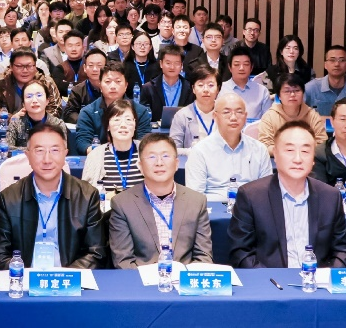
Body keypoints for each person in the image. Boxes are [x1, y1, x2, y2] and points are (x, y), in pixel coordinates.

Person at [228, 121, 346, 269]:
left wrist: (326, 276)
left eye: (305, 151)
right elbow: (241, 253)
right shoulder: (251, 196)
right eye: (290, 150)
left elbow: (342, 251)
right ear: (275, 155)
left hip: (318, 281)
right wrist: (270, 280)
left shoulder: (331, 197)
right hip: (270, 281)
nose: (298, 159)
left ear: (313, 158)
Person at [0, 123, 104, 269]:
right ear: (28, 156)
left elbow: (96, 252)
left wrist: (64, 277)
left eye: (55, 150)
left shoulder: (87, 196)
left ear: (65, 154)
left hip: (70, 278)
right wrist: (27, 276)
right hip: (26, 278)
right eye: (39, 151)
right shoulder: (9, 199)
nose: (47, 159)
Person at [108, 134, 212, 269]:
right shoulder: (122, 203)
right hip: (141, 279)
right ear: (140, 166)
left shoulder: (196, 201)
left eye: (166, 156)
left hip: (184, 277)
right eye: (151, 157)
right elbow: (123, 262)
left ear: (176, 164)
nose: (159, 163)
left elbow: (203, 257)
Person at [186, 95, 274, 202]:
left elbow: (266, 191)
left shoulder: (259, 149)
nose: (233, 118)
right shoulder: (200, 151)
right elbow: (195, 197)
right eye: (226, 112)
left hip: (250, 208)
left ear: (245, 116)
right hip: (213, 209)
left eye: (239, 112)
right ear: (215, 116)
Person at [74, 60, 153, 155]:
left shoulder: (140, 111)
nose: (112, 86)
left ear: (126, 85)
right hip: (99, 158)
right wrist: (107, 154)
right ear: (100, 85)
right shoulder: (87, 112)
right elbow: (82, 143)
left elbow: (144, 142)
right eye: (108, 81)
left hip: (133, 158)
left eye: (118, 81)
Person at [0, 48, 62, 124]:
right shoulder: (0, 82)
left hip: (40, 127)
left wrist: (36, 119)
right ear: (11, 66)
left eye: (29, 66)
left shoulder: (47, 82)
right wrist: (11, 118)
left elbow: (56, 109)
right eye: (19, 66)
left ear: (35, 66)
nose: (25, 70)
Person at [83, 99, 144, 194]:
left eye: (128, 120)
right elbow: (86, 195)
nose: (123, 125)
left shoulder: (147, 152)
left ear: (135, 124)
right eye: (117, 120)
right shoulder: (95, 156)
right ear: (108, 126)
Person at [256, 72, 328, 153]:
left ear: (303, 94)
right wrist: (288, 151)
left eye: (297, 90)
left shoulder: (312, 115)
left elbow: (322, 143)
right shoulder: (270, 116)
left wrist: (299, 151)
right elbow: (265, 145)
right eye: (287, 91)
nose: (293, 94)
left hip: (307, 158)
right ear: (279, 96)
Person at [4, 80, 68, 153]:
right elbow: (8, 149)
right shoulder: (15, 124)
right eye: (29, 96)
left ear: (47, 101)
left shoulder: (58, 124)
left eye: (39, 95)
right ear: (23, 104)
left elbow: (62, 150)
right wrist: (37, 150)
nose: (34, 100)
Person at [168, 65, 220, 152]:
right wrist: (193, 152)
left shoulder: (226, 113)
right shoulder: (182, 115)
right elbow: (173, 150)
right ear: (193, 89)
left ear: (218, 89)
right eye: (200, 85)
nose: (206, 90)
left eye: (211, 85)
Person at [304, 45, 346, 116]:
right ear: (325, 65)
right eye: (332, 60)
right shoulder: (311, 87)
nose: (337, 64)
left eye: (342, 60)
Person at [139, 45, 194, 120]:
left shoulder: (190, 88)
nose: (172, 67)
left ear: (181, 65)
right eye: (168, 63)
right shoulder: (148, 88)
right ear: (161, 64)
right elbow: (143, 117)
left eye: (176, 63)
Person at [218, 47, 274, 120]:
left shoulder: (262, 91)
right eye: (237, 64)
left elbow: (268, 121)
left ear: (251, 67)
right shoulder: (220, 89)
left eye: (246, 64)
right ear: (230, 67)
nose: (241, 68)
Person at [62, 49, 107, 124]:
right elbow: (69, 113)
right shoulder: (77, 90)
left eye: (99, 65)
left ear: (106, 67)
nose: (95, 69)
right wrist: (85, 121)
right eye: (91, 65)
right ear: (85, 68)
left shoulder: (113, 88)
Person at [49, 29, 89, 95]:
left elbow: (93, 83)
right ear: (64, 48)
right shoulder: (60, 68)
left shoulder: (89, 65)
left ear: (83, 47)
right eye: (70, 45)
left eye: (77, 45)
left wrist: (68, 84)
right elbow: (59, 87)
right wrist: (84, 84)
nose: (74, 49)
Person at [123, 31, 161, 98]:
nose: (142, 47)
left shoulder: (157, 66)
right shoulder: (125, 66)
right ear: (132, 47)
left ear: (150, 47)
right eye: (139, 44)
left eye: (146, 44)